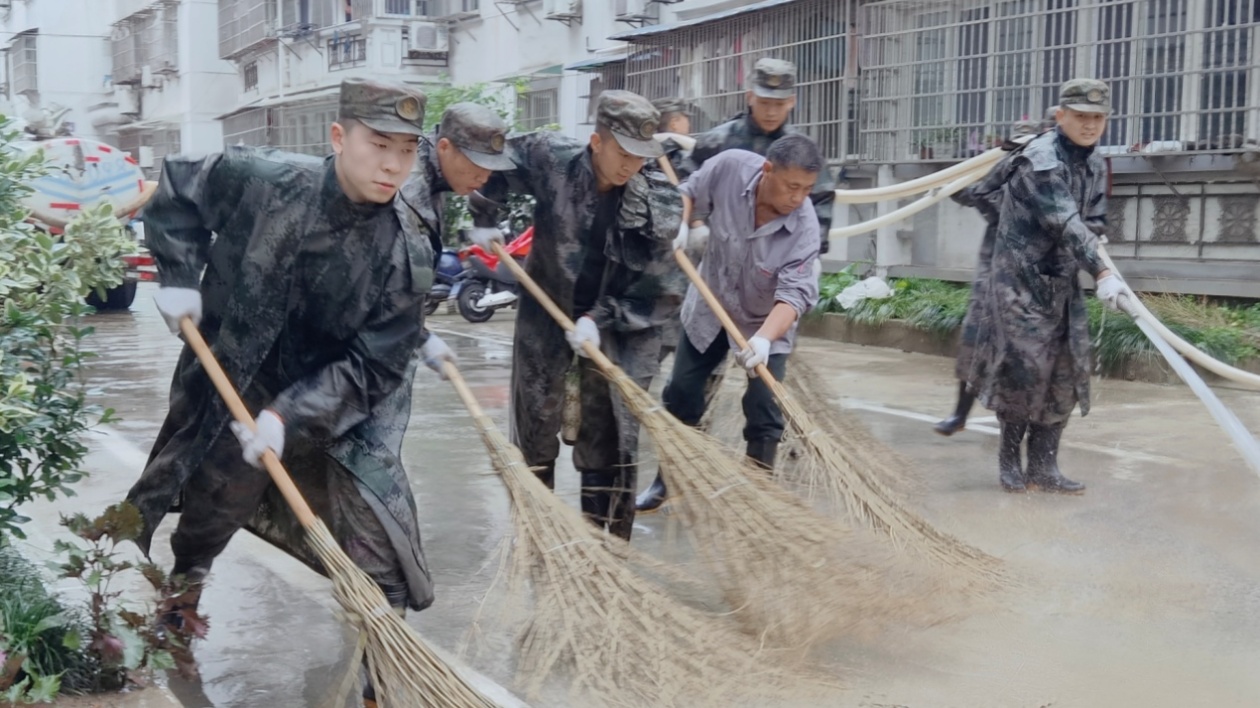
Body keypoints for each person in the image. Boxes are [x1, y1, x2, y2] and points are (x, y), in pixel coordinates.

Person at [125, 78, 457, 705]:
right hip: (240, 372)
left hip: (341, 401)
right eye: (377, 144)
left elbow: (376, 366)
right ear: (338, 137)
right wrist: (176, 276)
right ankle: (179, 609)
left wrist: (290, 415)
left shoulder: (406, 247)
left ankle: (372, 682)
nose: (391, 165)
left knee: (383, 544)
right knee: (212, 503)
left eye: (406, 151)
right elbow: (176, 186)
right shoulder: (269, 177)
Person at [467, 90, 683, 541]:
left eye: (641, 157)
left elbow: (660, 290)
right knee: (536, 428)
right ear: (596, 142)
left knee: (610, 437)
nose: (630, 167)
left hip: (619, 326)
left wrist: (599, 319)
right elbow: (493, 158)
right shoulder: (552, 159)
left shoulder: (656, 199)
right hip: (545, 311)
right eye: (622, 153)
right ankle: (538, 538)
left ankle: (605, 542)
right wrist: (485, 213)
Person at [636, 135, 823, 513]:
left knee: (764, 408)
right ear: (768, 170)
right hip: (710, 302)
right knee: (682, 393)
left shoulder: (804, 228)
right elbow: (689, 192)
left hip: (765, 320)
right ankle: (669, 481)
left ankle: (758, 493)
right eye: (792, 187)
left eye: (807, 190)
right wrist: (681, 223)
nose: (798, 198)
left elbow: (795, 295)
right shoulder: (730, 168)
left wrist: (766, 340)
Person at [965, 78, 1132, 494]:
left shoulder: (1094, 162)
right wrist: (1103, 272)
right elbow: (1063, 220)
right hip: (1018, 283)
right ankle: (1009, 462)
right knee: (1023, 370)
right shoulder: (1041, 158)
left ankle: (1044, 466)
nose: (1090, 125)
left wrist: (1097, 246)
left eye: (1098, 118)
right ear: (1061, 116)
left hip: (1061, 280)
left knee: (1066, 369)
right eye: (1081, 117)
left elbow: (1091, 219)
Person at [934, 116, 1047, 437]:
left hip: (1029, 283)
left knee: (1024, 359)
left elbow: (992, 201)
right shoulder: (999, 175)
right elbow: (966, 193)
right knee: (974, 345)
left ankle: (1020, 429)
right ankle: (959, 415)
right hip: (992, 276)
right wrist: (961, 175)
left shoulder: (1044, 181)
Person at [685, 57, 835, 255]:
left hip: (777, 252)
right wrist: (696, 225)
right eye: (764, 103)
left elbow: (821, 200)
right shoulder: (717, 142)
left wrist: (811, 250)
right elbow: (687, 183)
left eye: (779, 104)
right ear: (750, 97)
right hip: (717, 251)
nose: (771, 112)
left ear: (791, 101)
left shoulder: (803, 150)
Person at [652, 96, 693, 181]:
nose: (689, 125)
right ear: (674, 123)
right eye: (686, 119)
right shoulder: (685, 157)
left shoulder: (642, 156)